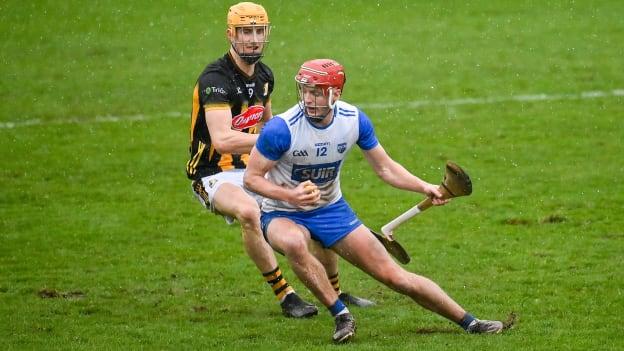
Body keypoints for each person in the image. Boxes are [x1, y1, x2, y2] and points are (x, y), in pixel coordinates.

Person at [243, 58, 506, 343]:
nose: (309, 98)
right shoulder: (281, 129)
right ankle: (341, 314)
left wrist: (424, 187)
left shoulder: (353, 120)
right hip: (282, 212)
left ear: (336, 93)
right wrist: (290, 195)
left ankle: (470, 322)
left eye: (317, 91)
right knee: (294, 243)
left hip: (332, 210)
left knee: (395, 277)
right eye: (305, 90)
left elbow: (385, 168)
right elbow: (251, 178)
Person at [185, 3, 372, 319]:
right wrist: (277, 141)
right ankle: (285, 294)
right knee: (248, 211)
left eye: (259, 31)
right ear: (231, 34)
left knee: (314, 201)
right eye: (246, 32)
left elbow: (272, 127)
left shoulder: (264, 76)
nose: (253, 39)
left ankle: (335, 290)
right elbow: (223, 139)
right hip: (212, 173)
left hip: (254, 166)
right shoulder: (215, 79)